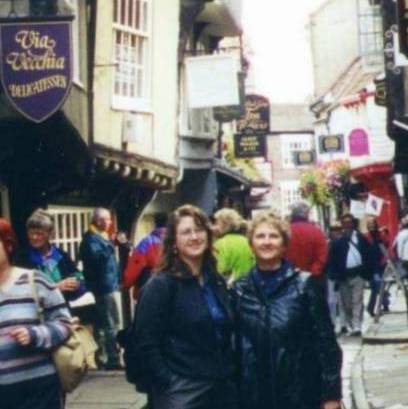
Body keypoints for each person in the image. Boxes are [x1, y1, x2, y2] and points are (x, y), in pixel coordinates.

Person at [233, 210, 342, 409]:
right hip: (255, 396)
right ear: (251, 244)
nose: (267, 242)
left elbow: (326, 342)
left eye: (273, 236)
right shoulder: (240, 290)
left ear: (284, 245)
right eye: (260, 236)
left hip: (299, 392)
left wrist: (331, 395)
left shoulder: (305, 285)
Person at [132, 204, 237, 409]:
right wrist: (168, 381)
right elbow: (145, 341)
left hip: (220, 385)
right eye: (186, 232)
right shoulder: (162, 285)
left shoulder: (215, 281)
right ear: (174, 243)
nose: (194, 237)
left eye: (199, 230)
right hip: (183, 390)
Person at [0, 218, 71, 409]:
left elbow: (65, 324)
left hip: (38, 389)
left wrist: (34, 334)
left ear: (8, 245)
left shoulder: (35, 281)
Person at [79, 207, 121, 370]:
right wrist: (111, 246)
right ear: (98, 220)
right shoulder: (91, 240)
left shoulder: (101, 237)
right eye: (107, 219)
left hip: (109, 284)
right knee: (110, 324)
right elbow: (97, 260)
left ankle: (105, 357)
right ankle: (112, 359)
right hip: (102, 287)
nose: (110, 222)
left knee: (106, 323)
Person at [15, 209, 86, 303]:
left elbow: (77, 276)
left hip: (62, 310)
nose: (34, 237)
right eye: (31, 233)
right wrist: (55, 288)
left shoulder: (61, 255)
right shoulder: (22, 258)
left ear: (50, 234)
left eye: (39, 233)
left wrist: (76, 283)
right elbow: (19, 290)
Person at [328, 213, 373, 336]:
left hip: (358, 274)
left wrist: (368, 273)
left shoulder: (361, 238)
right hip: (344, 277)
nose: (347, 225)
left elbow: (369, 255)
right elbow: (332, 260)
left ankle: (357, 326)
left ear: (353, 224)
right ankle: (351, 324)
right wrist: (334, 276)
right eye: (345, 223)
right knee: (347, 303)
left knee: (357, 300)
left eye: (349, 223)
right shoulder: (338, 242)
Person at [123, 212, 167, 299]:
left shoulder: (147, 242)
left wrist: (126, 285)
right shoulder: (177, 242)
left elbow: (134, 267)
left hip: (149, 291)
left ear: (155, 224)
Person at [212, 208, 255, 285]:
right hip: (249, 285)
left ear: (224, 224)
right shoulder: (247, 241)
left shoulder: (220, 244)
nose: (214, 227)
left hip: (230, 288)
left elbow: (218, 270)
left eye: (216, 223)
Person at [286, 201, 328, 278]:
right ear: (307, 215)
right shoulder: (317, 232)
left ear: (292, 215)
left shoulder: (285, 232)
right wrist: (312, 272)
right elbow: (322, 256)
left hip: (289, 277)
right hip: (312, 278)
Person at [365, 216, 390, 316]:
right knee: (376, 287)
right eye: (369, 224)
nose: (371, 226)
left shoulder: (380, 235)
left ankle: (382, 304)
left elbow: (386, 246)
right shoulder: (366, 237)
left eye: (373, 223)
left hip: (380, 264)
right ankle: (378, 305)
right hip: (371, 266)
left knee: (379, 287)